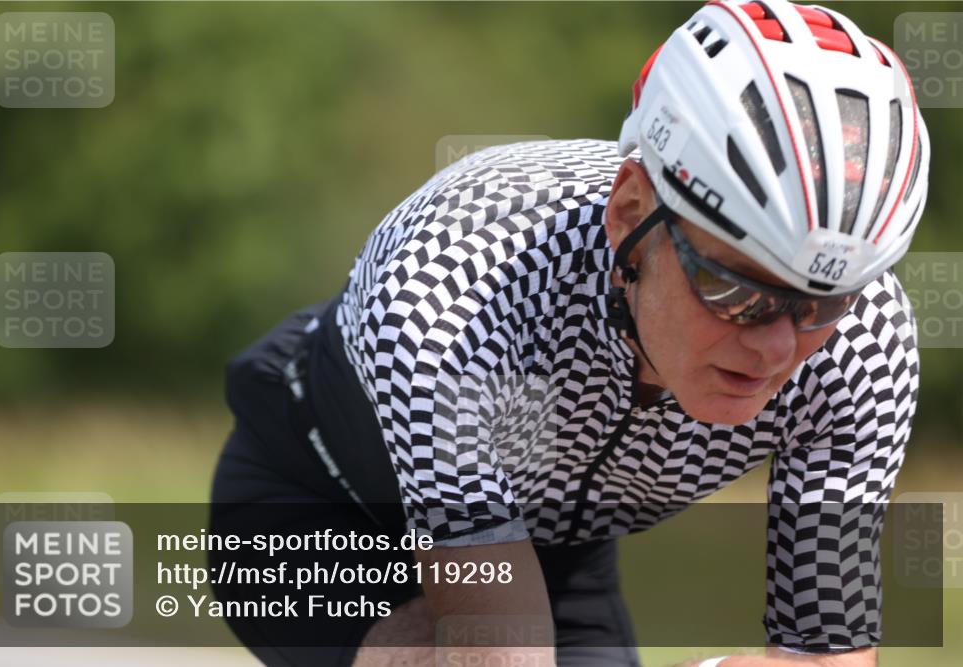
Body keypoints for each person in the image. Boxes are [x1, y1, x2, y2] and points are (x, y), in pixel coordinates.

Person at [209, 1, 930, 665]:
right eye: (736, 289)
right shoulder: (454, 288)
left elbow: (825, 652)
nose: (778, 348)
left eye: (822, 304)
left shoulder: (866, 344)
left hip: (555, 543)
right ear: (630, 216)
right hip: (314, 506)